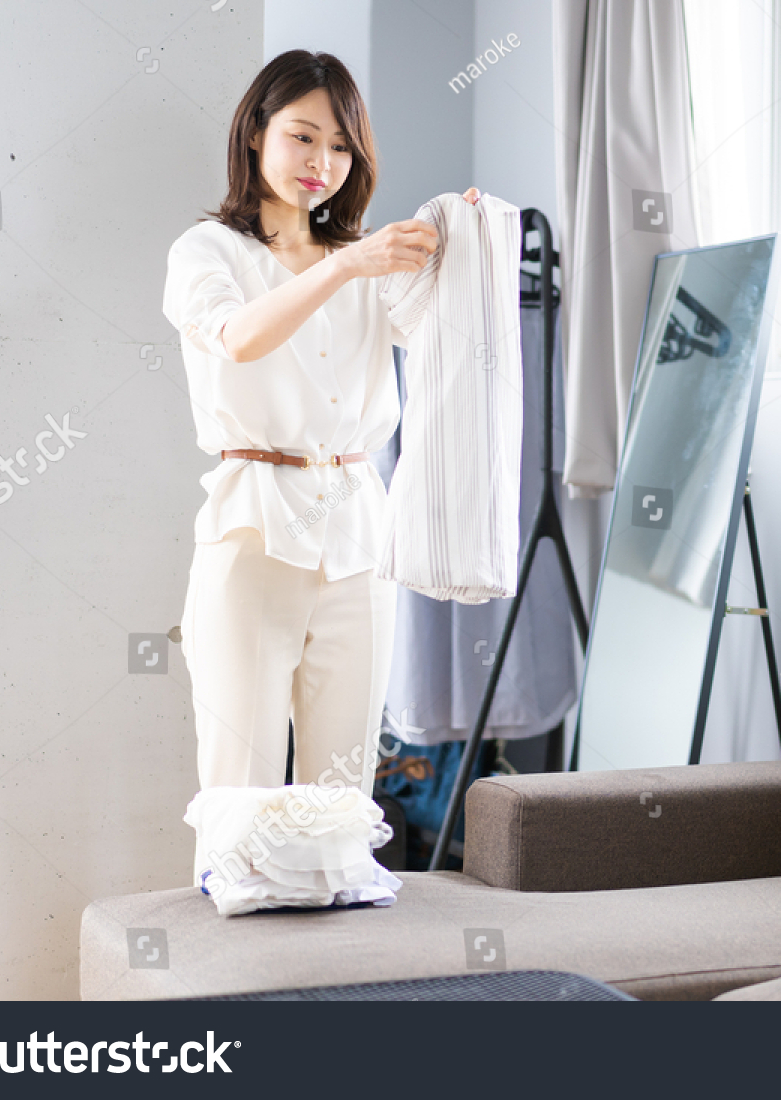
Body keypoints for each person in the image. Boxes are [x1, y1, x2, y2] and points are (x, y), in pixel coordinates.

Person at [161, 49, 479, 800]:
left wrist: (464, 246)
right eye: (303, 136)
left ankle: (337, 907)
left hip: (359, 532)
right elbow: (239, 336)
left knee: (343, 785)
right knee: (242, 778)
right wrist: (344, 267)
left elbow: (448, 336)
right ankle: (238, 906)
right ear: (255, 133)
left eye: (341, 146)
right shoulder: (209, 250)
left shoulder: (363, 262)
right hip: (255, 527)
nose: (322, 162)